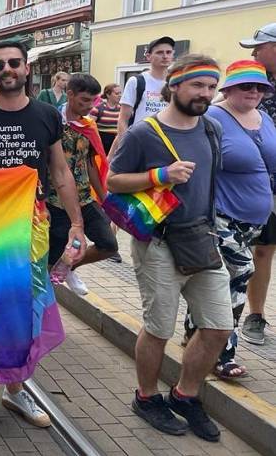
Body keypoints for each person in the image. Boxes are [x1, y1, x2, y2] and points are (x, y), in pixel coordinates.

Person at [0, 41, 84, 427]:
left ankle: (16, 388)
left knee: (25, 310)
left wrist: (76, 223)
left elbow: (60, 173)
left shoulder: (46, 115)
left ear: (26, 69)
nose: (7, 69)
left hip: (32, 228)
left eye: (14, 63)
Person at [108, 54, 231, 443]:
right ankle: (146, 398)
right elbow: (112, 181)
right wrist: (159, 175)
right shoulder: (144, 133)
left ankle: (185, 394)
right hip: (158, 244)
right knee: (159, 327)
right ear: (173, 86)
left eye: (211, 87)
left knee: (218, 326)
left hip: (202, 239)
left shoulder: (211, 129)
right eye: (197, 85)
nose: (205, 93)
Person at [180, 59, 276, 379]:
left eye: (260, 87)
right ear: (228, 88)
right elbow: (191, 166)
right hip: (220, 215)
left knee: (215, 281)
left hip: (255, 219)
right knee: (237, 276)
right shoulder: (211, 119)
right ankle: (222, 354)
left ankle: (194, 333)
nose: (254, 92)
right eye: (246, 86)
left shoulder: (264, 118)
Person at [47, 74, 119, 296]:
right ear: (70, 95)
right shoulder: (51, 122)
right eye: (84, 100)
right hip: (55, 201)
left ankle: (68, 267)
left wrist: (105, 198)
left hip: (84, 198)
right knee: (51, 257)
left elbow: (90, 163)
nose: (89, 106)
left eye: (93, 101)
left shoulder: (88, 125)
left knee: (108, 244)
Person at [239, 23, 276, 345]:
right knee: (257, 251)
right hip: (251, 185)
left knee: (264, 249)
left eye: (258, 47)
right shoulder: (252, 84)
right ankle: (255, 314)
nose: (253, 53)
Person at [112, 36, 175, 155]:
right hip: (139, 142)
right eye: (159, 52)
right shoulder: (137, 81)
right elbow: (123, 119)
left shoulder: (176, 82)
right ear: (148, 56)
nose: (165, 56)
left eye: (169, 52)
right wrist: (126, 145)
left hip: (168, 143)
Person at [90, 83, 122, 155]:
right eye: (117, 93)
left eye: (120, 93)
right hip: (101, 143)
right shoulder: (98, 109)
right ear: (108, 95)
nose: (120, 95)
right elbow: (90, 126)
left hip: (117, 143)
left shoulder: (122, 109)